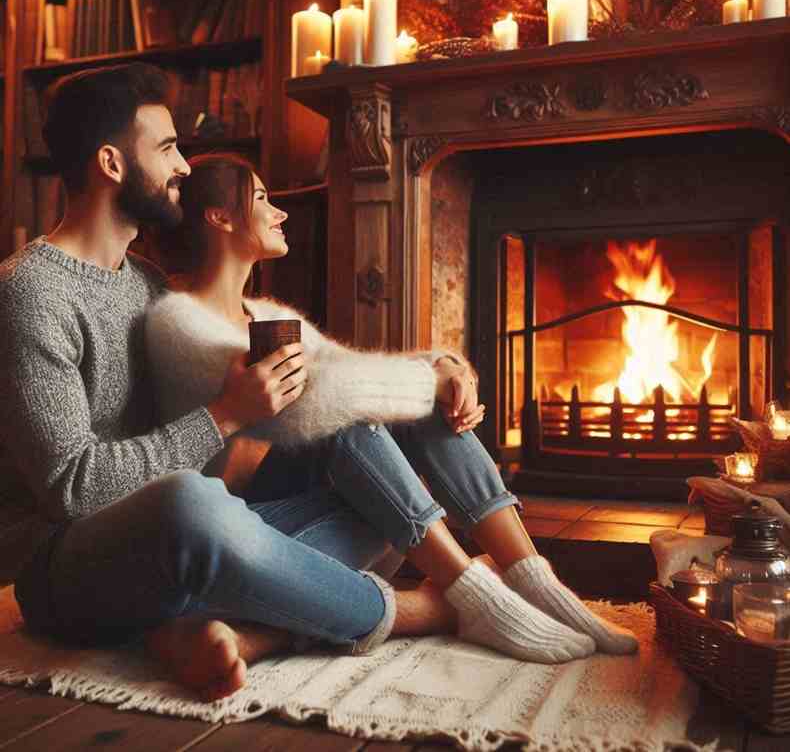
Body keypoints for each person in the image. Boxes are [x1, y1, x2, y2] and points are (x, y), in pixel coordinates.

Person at [0, 63, 487, 703]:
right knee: (192, 505)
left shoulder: (147, 285)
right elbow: (73, 488)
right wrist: (223, 417)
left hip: (183, 542)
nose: (183, 166)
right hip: (67, 570)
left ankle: (214, 624)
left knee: (381, 482)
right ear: (113, 164)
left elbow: (325, 371)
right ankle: (423, 610)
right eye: (168, 147)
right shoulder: (30, 292)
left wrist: (436, 367)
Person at [143, 152, 638, 672]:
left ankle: (535, 581)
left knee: (409, 413)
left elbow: (353, 372)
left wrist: (445, 370)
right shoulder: (177, 321)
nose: (281, 213)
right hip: (244, 539)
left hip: (303, 516)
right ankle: (474, 595)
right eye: (263, 199)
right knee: (355, 418)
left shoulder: (268, 315)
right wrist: (430, 380)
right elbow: (315, 402)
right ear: (219, 217)